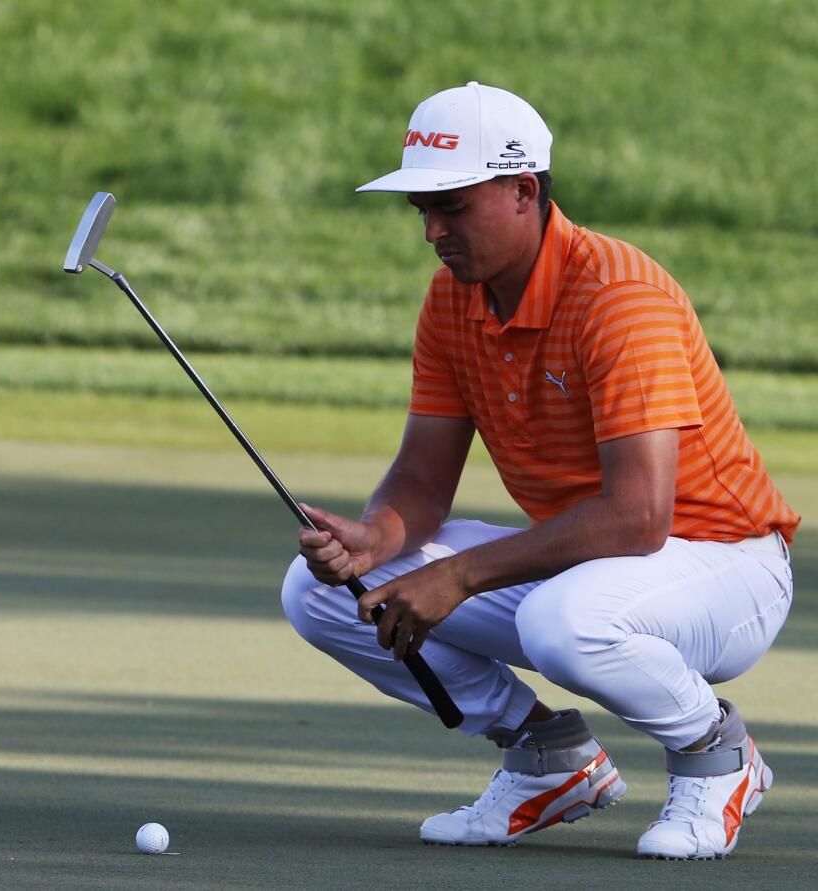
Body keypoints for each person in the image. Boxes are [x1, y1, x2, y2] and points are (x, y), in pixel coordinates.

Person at [281, 81, 798, 860]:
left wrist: (457, 578)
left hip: (729, 568)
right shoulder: (455, 298)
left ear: (523, 190)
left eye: (451, 206)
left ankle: (716, 754)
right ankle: (547, 758)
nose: (431, 231)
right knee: (324, 590)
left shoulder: (620, 295)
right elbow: (423, 477)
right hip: (592, 563)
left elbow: (638, 516)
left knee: (560, 622)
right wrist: (375, 536)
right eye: (421, 210)